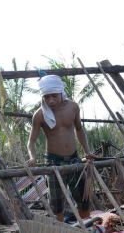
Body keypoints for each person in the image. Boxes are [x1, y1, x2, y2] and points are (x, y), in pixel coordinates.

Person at [27, 75, 96, 222]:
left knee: (83, 198)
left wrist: (87, 151)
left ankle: (87, 231)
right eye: (46, 97)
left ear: (61, 93)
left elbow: (79, 129)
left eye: (54, 96)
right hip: (54, 161)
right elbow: (31, 141)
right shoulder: (39, 115)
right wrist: (32, 157)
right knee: (56, 204)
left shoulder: (73, 107)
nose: (51, 100)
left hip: (74, 158)